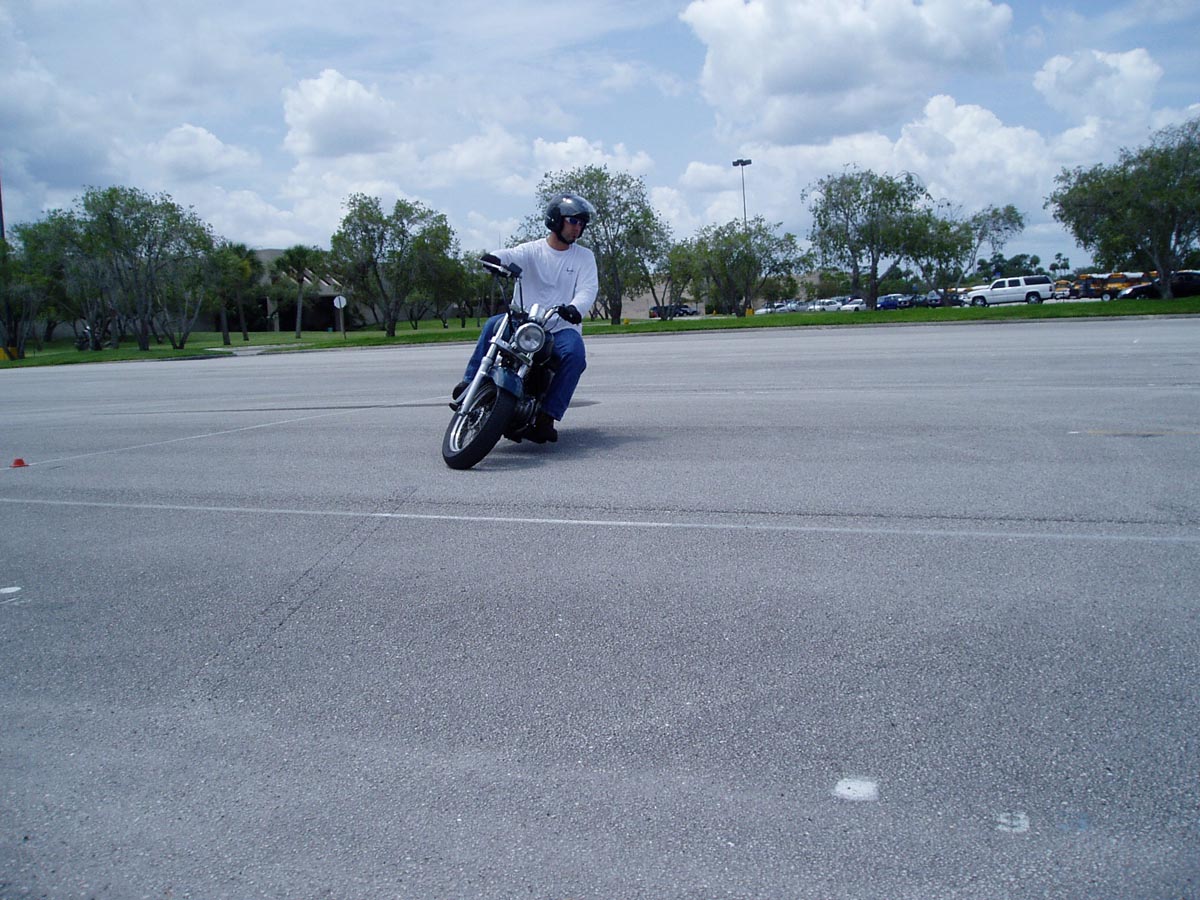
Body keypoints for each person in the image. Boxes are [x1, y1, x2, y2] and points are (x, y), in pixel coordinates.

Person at [453, 193, 599, 443]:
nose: (578, 228)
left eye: (581, 223)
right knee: (492, 325)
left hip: (561, 326)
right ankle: (469, 383)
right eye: (573, 221)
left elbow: (588, 289)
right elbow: (510, 255)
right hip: (523, 321)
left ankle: (547, 417)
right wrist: (495, 259)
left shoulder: (584, 257)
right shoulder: (531, 250)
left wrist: (575, 308)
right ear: (556, 220)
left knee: (575, 356)